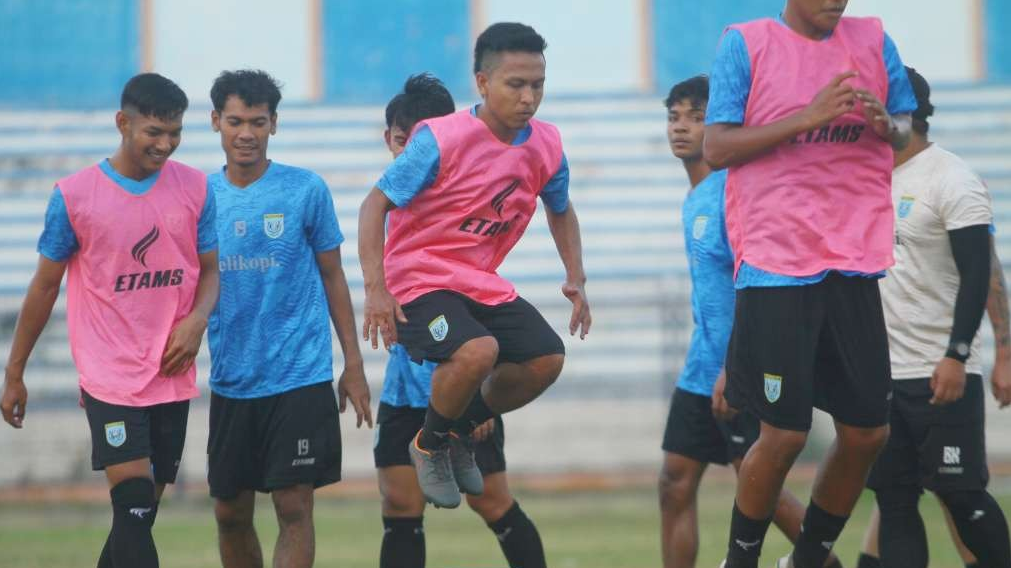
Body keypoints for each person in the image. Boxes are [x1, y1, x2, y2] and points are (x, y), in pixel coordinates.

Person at [704, 1, 919, 566]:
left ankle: (807, 559)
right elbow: (717, 147)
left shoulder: (872, 39)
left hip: (853, 256)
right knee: (784, 435)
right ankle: (740, 559)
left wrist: (884, 124)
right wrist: (806, 115)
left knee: (869, 431)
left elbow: (902, 127)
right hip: (778, 259)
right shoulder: (745, 43)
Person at [359, 21, 591, 509]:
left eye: (537, 85)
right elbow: (374, 204)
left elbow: (561, 206)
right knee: (478, 350)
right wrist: (376, 289)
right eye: (516, 84)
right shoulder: (439, 139)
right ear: (483, 83)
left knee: (545, 358)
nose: (529, 97)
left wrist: (575, 277)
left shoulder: (547, 144)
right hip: (418, 277)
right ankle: (428, 443)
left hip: (478, 282)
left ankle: (455, 431)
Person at [0, 73, 219, 568]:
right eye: (153, 132)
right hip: (110, 376)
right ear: (123, 123)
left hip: (171, 372)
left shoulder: (196, 188)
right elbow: (44, 287)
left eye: (175, 133)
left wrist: (197, 320)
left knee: (138, 515)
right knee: (134, 503)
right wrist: (14, 372)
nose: (165, 145)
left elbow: (210, 272)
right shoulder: (74, 196)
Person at [659, 75, 842, 568]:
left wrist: (733, 366)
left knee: (757, 481)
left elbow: (754, 283)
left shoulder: (735, 192)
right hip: (700, 366)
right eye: (674, 117)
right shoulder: (694, 197)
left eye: (696, 117)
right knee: (674, 480)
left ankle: (822, 561)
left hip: (738, 366)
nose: (681, 127)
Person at [374, 73, 547, 568]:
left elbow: (483, 297)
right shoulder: (385, 207)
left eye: (426, 139)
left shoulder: (460, 199)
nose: (415, 153)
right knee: (399, 506)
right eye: (405, 140)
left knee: (492, 502)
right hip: (405, 390)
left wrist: (485, 399)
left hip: (464, 386)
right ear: (389, 139)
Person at [205, 69, 371, 568]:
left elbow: (334, 276)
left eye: (258, 121)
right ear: (216, 122)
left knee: (294, 505)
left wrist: (354, 364)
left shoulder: (305, 190)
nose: (247, 133)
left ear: (274, 123)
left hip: (299, 375)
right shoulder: (198, 197)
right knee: (229, 511)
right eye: (235, 121)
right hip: (232, 379)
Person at [859, 66, 1011, 568]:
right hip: (881, 377)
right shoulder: (865, 179)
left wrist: (963, 353)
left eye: (874, 107)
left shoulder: (952, 178)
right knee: (895, 501)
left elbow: (979, 273)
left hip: (940, 373)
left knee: (963, 497)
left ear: (901, 111)